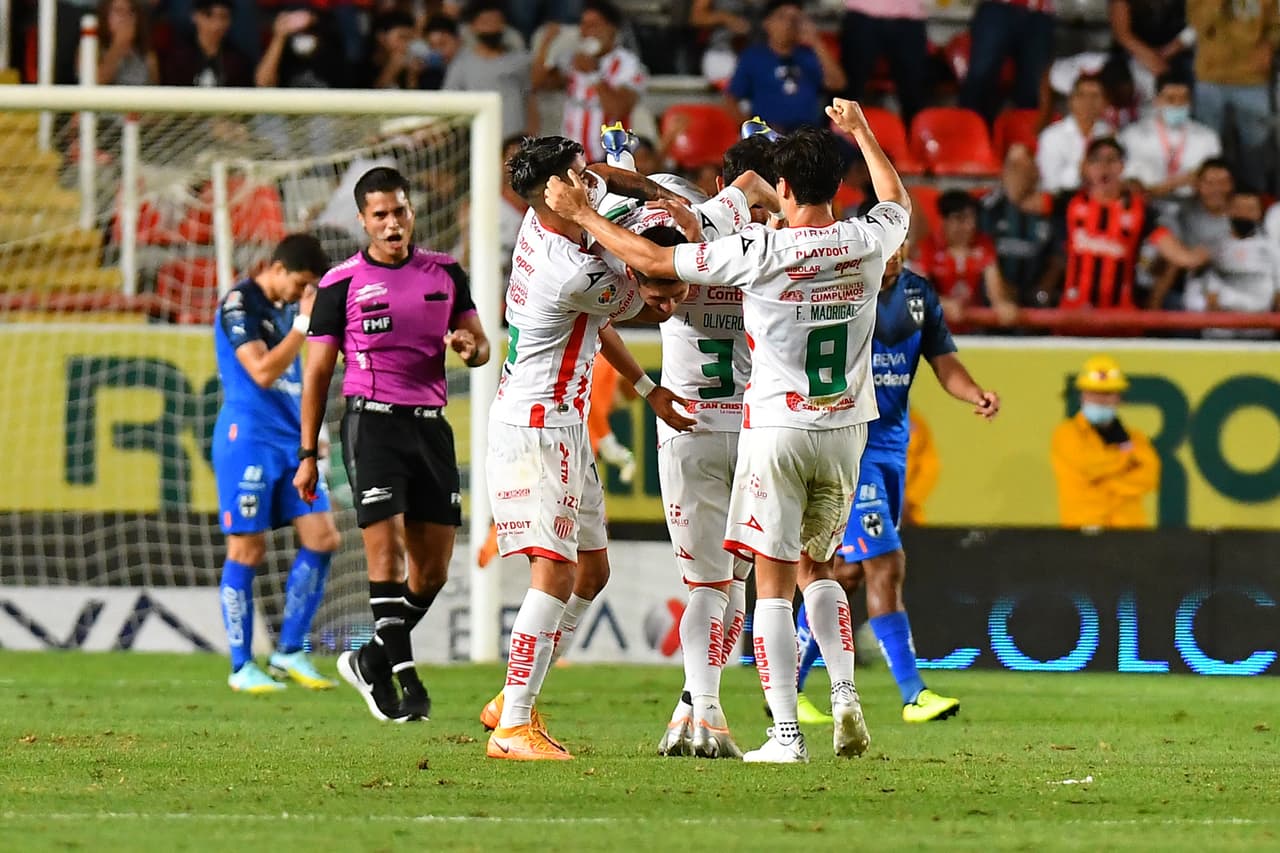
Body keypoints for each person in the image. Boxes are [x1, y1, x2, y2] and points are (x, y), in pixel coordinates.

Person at [547, 100, 912, 764]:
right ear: (836, 186)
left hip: (764, 431)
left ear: (785, 187)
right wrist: (862, 131)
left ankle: (777, 732)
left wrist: (587, 212)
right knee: (819, 569)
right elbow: (896, 201)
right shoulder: (867, 239)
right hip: (844, 430)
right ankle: (845, 695)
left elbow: (656, 261)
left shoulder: (755, 251)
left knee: (756, 585)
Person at [481, 137, 695, 761]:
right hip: (535, 428)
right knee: (554, 571)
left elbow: (602, 180)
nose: (589, 181)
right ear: (553, 192)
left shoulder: (554, 213)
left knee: (592, 572)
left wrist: (648, 389)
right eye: (576, 177)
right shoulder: (569, 270)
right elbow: (654, 290)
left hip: (567, 424)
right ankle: (512, 727)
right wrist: (674, 242)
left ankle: (512, 696)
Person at [591, 129, 782, 759]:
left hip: (703, 432)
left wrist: (618, 162)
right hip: (744, 430)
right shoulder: (751, 245)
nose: (663, 301)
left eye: (663, 290)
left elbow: (612, 199)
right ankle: (699, 708)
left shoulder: (652, 246)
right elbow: (750, 188)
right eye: (656, 292)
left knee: (714, 586)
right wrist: (776, 196)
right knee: (731, 583)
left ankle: (701, 708)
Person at [295, 167, 491, 723]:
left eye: (399, 211)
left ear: (411, 212)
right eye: (379, 214)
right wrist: (306, 454)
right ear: (363, 220)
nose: (391, 223)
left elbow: (481, 348)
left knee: (432, 573)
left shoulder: (446, 272)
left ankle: (370, 660)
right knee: (386, 554)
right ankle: (407, 681)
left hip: (430, 426)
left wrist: (469, 346)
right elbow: (316, 373)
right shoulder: (340, 283)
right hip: (372, 424)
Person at [794, 235, 1000, 725]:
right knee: (886, 564)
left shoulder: (918, 293)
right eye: (886, 245)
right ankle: (913, 694)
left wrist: (974, 393)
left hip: (891, 448)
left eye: (902, 244)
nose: (894, 255)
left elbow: (942, 359)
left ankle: (787, 687)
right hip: (851, 444)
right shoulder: (839, 287)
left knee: (844, 574)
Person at [212, 233, 340, 694]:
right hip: (249, 441)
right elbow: (264, 371)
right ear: (278, 268)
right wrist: (303, 324)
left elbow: (294, 375)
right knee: (247, 550)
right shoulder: (239, 303)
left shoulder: (288, 307)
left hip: (291, 442)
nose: (304, 293)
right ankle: (241, 665)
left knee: (323, 538)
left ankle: (289, 651)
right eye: (301, 282)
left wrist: (313, 434)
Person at [1036, 137, 1210, 311]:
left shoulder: (1140, 210)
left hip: (1120, 316)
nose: (1104, 166)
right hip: (1073, 314)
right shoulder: (1068, 201)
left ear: (1122, 166)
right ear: (1085, 166)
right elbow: (1026, 200)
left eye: (1111, 160)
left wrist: (1202, 254)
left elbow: (1178, 255)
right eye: (1096, 159)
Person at [1051, 356, 1160, 529]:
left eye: (1108, 393)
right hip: (1083, 530)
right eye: (1094, 393)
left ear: (1119, 398)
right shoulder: (1066, 434)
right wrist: (1127, 460)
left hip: (1129, 531)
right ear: (1082, 396)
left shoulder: (1136, 438)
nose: (1101, 399)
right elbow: (1089, 465)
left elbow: (1149, 477)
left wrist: (1102, 482)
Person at [533, 0, 648, 161]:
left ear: (612, 29)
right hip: (573, 157)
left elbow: (618, 109)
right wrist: (546, 44)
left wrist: (593, 75)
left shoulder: (628, 64)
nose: (587, 31)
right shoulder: (574, 59)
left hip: (611, 157)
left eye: (594, 25)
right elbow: (537, 83)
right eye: (584, 25)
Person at [1187, 0, 1280, 195]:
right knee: (1209, 142)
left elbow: (1275, 24)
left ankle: (1255, 195)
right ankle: (1210, 196)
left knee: (1256, 145)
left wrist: (1269, 47)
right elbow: (1199, 25)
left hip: (1253, 79)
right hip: (1210, 78)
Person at [725, 0, 845, 133]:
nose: (788, 24)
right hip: (769, 132)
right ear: (767, 22)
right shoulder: (753, 56)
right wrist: (753, 133)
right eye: (782, 17)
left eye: (794, 19)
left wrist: (816, 42)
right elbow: (731, 99)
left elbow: (838, 84)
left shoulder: (810, 55)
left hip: (807, 133)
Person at [915, 189, 1019, 328]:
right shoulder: (928, 248)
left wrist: (1002, 304)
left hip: (975, 329)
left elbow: (995, 289)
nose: (970, 226)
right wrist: (942, 303)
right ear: (944, 221)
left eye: (972, 219)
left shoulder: (984, 245)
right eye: (961, 219)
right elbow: (916, 292)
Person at [1119, 73, 1221, 204]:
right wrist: (1175, 183)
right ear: (1156, 100)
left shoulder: (1208, 137)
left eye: (1184, 99)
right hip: (1145, 203)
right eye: (1171, 99)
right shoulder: (1132, 135)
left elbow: (1214, 179)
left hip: (1193, 203)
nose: (1178, 104)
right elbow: (1125, 180)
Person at [444, 2, 536, 138]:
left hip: (516, 142)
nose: (491, 27)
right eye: (485, 22)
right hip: (479, 140)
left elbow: (531, 100)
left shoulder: (520, 61)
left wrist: (532, 136)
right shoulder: (461, 64)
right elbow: (449, 101)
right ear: (472, 27)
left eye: (496, 22)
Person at [1196, 190, 1280, 336]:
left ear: (1260, 213)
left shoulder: (1272, 248)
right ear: (1228, 210)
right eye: (1239, 208)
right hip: (1221, 330)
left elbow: (1278, 294)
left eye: (1250, 209)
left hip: (1261, 329)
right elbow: (1211, 296)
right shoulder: (1215, 247)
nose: (1244, 214)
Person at [979, 143, 1053, 306]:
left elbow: (1058, 256)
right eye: (1013, 166)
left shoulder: (1051, 209)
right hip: (995, 302)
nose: (1017, 173)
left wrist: (1043, 290)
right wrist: (1000, 294)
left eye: (1023, 167)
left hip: (1039, 300)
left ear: (1035, 172)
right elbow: (982, 254)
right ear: (1003, 171)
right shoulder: (989, 208)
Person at [958, 0, 1055, 123]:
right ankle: (970, 130)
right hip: (996, 6)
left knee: (1033, 86)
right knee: (980, 78)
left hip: (1040, 11)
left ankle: (1023, 133)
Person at [839, 0, 930, 123]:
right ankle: (833, 134)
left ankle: (915, 133)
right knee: (848, 89)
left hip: (908, 19)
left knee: (914, 93)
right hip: (862, 16)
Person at [1036, 74, 1113, 195]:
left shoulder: (1110, 133)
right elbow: (1052, 183)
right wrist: (1081, 170)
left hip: (1102, 199)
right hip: (1062, 200)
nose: (1088, 102)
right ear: (1071, 101)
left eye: (1095, 96)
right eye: (1081, 95)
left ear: (1105, 103)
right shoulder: (1052, 136)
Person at [161, 0, 253, 88]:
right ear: (194, 16)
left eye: (223, 16)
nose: (216, 24)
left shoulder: (238, 63)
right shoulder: (177, 58)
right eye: (208, 15)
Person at [95, 0, 159, 85]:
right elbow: (93, 83)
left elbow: (155, 89)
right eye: (118, 10)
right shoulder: (91, 48)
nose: (125, 16)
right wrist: (118, 47)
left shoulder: (147, 55)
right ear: (105, 15)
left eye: (131, 11)